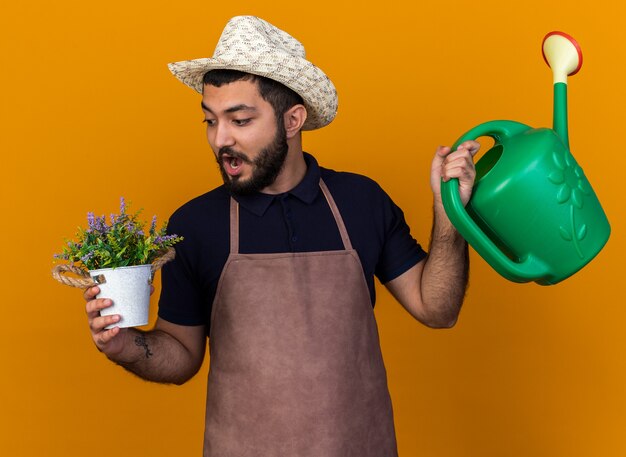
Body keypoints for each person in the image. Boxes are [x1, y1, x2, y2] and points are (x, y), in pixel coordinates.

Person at [84, 15, 479, 456]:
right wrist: (125, 346)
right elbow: (181, 355)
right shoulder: (196, 224)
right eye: (211, 121)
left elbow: (437, 308)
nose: (221, 140)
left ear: (293, 120)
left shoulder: (360, 201)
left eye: (240, 119)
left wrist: (450, 217)